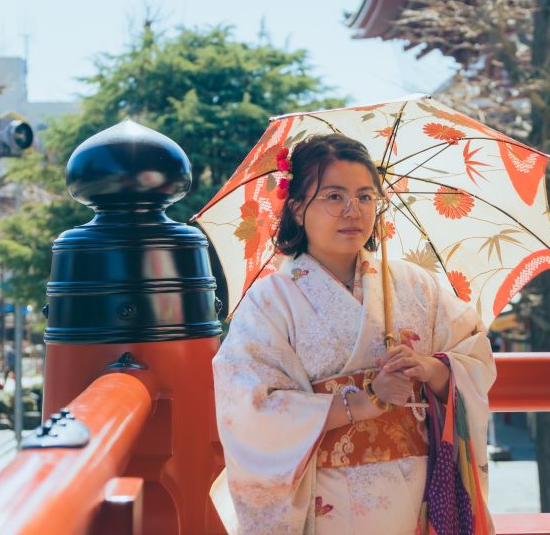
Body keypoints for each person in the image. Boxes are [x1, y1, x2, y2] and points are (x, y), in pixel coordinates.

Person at [212, 134, 496, 534]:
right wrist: (366, 402)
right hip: (324, 494)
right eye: (333, 196)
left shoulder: (416, 285)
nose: (353, 211)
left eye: (366, 197)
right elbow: (248, 407)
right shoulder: (270, 300)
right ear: (296, 206)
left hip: (416, 487)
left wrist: (431, 369)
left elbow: (474, 358)